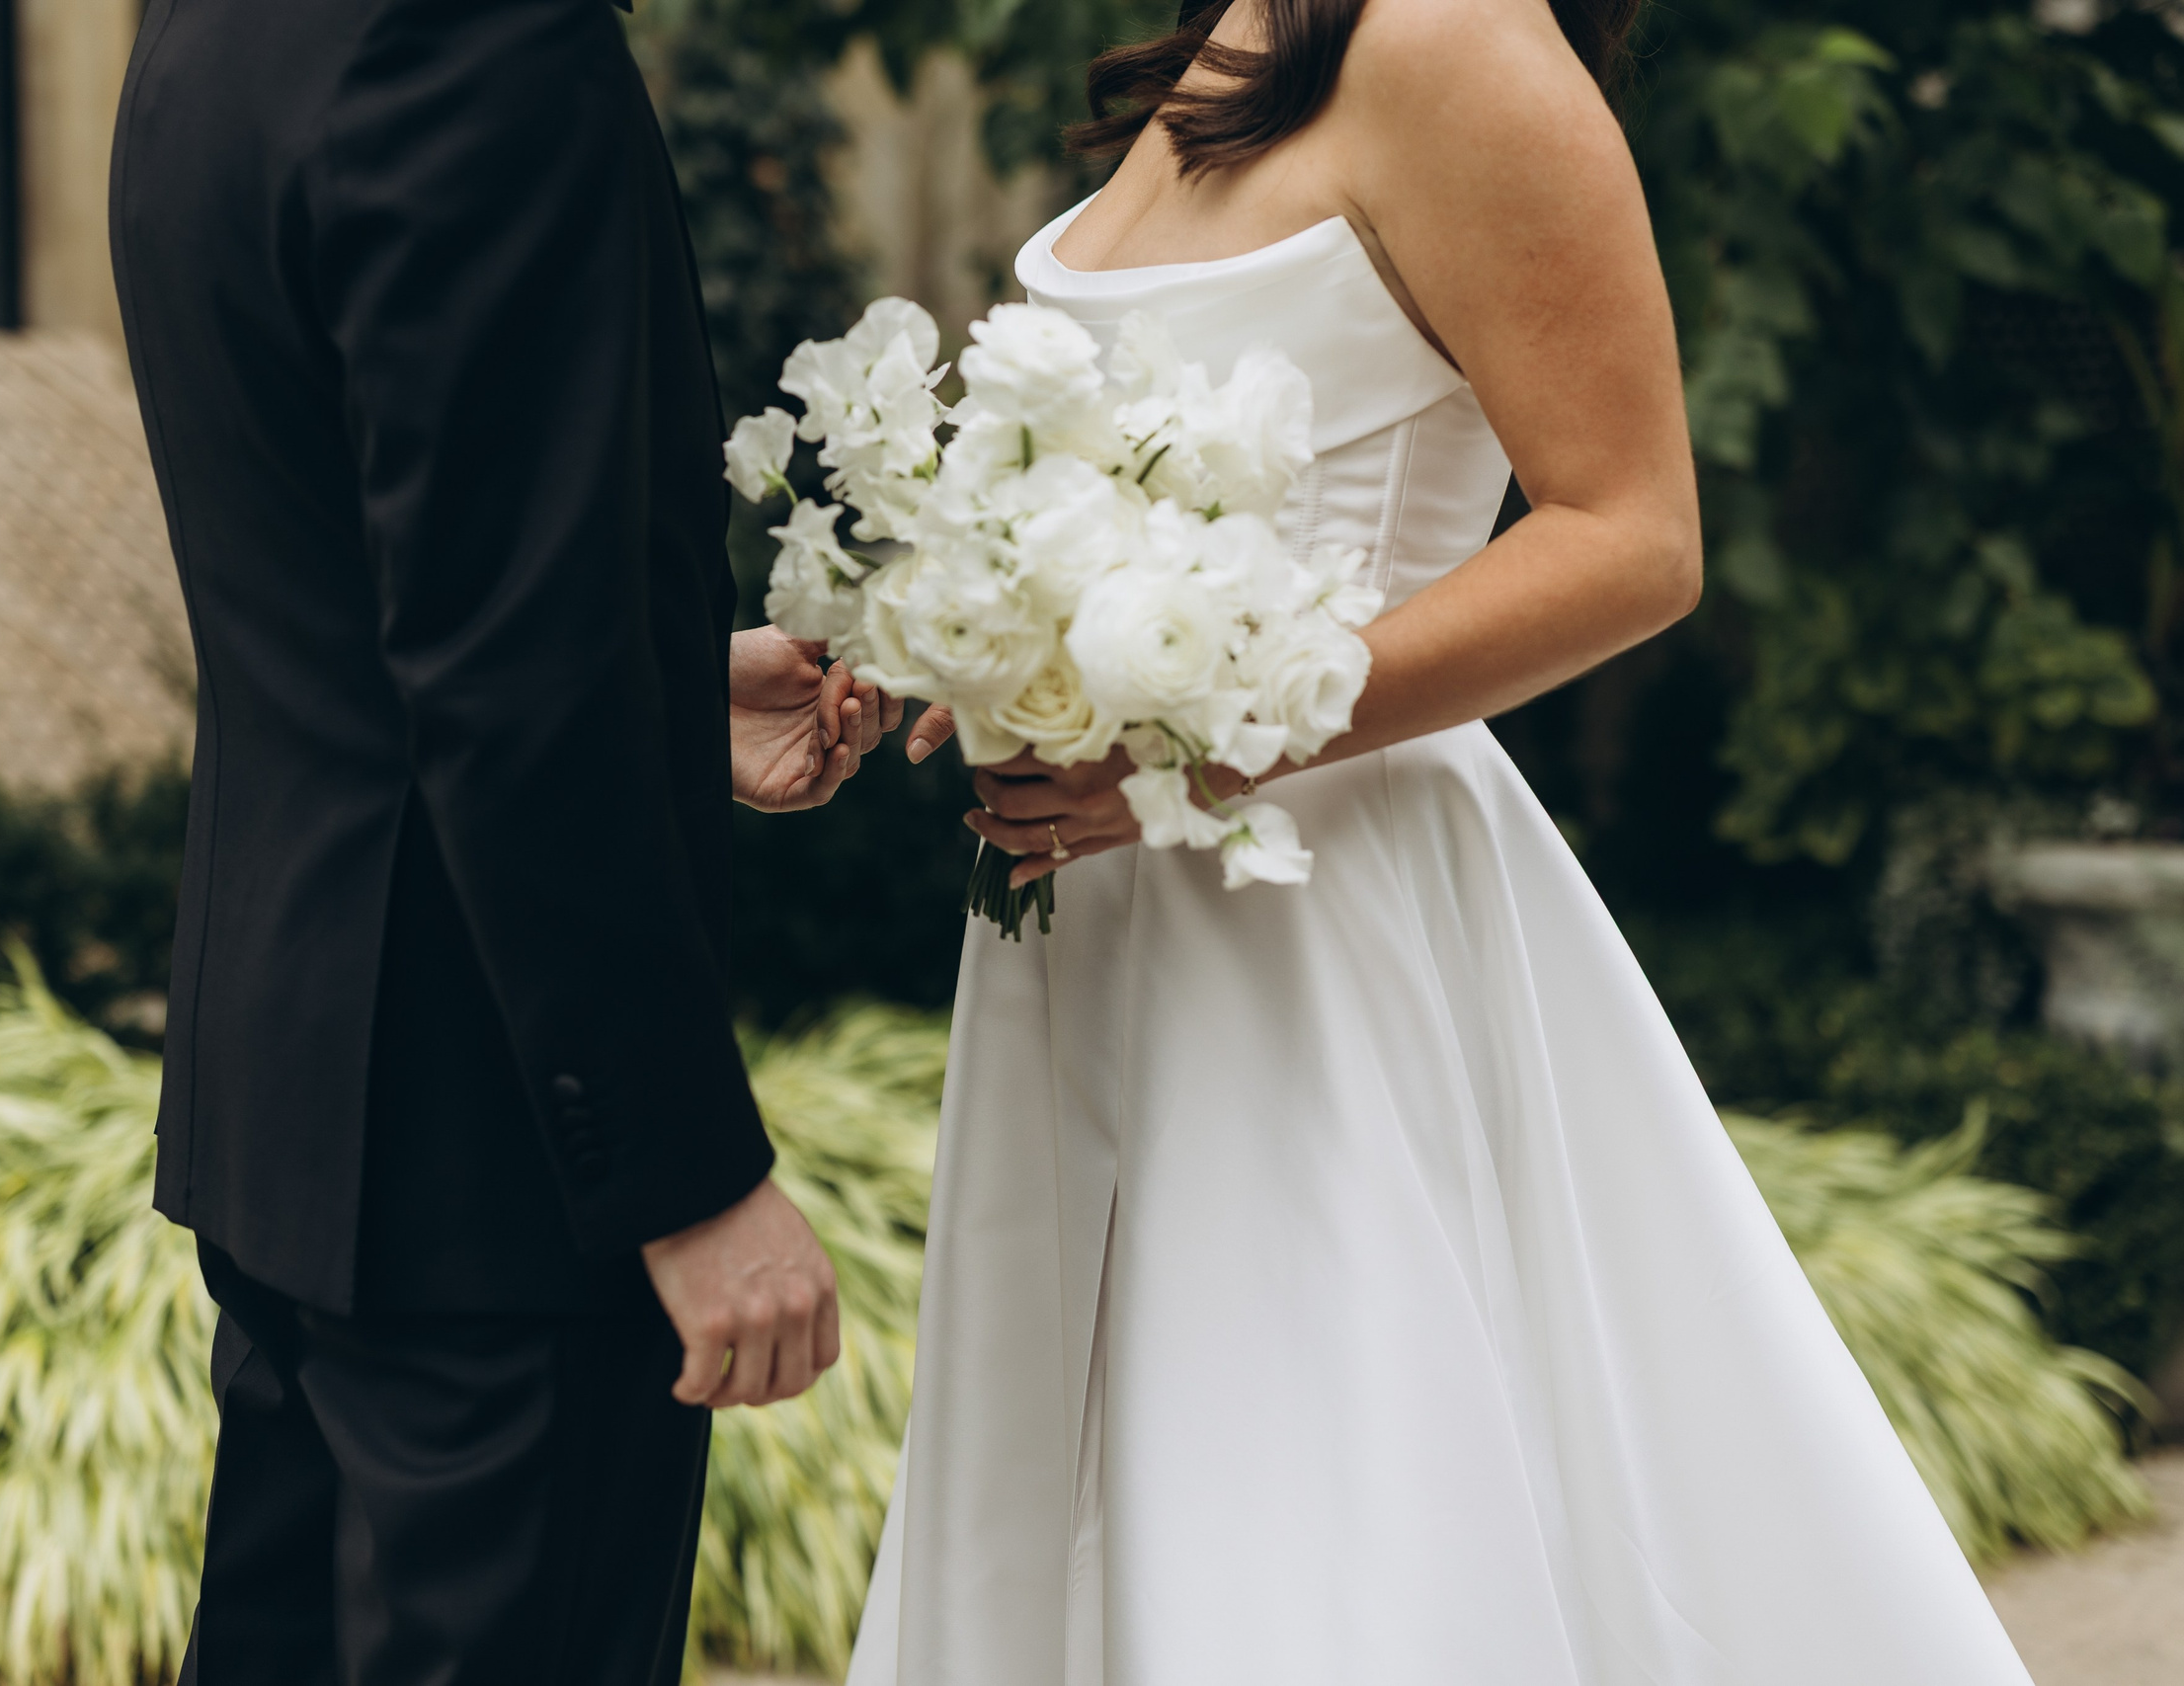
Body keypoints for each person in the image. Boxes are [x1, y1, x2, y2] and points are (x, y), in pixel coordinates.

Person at [855, 0, 2039, 1679]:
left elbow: (1634, 535)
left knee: (1315, 1519)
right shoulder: (1241, 33)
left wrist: (1210, 733)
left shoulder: (1460, 41)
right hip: (1091, 933)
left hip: (1317, 930)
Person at [108, 1, 878, 1679]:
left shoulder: (215, 27)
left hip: (298, 1118)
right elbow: (508, 671)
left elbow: (364, 572)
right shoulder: (480, 45)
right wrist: (686, 1181)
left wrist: (662, 696)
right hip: (492, 1172)